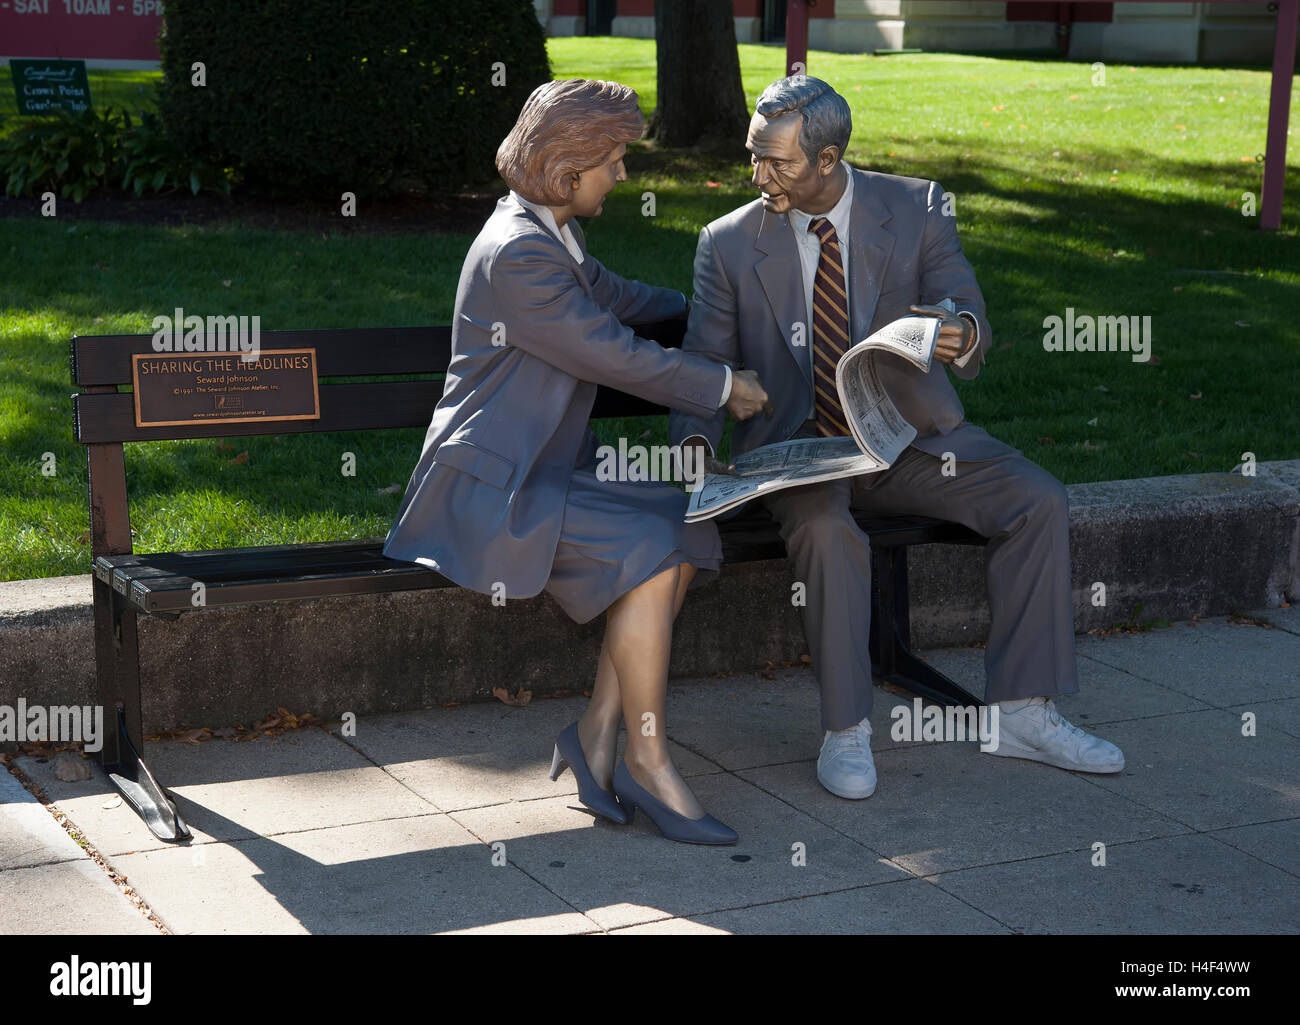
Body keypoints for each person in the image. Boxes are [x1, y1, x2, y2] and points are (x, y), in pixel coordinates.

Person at [671, 75, 1124, 801]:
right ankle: (846, 728)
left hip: (908, 439)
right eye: (754, 156)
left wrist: (960, 331)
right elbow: (703, 363)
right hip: (800, 452)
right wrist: (694, 450)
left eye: (776, 162)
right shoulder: (728, 242)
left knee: (1037, 498)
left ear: (828, 160)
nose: (759, 176)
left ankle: (1023, 713)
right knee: (826, 529)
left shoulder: (915, 207)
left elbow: (966, 305)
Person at [383, 79, 769, 844]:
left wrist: (714, 314)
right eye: (614, 160)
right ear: (569, 168)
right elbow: (611, 353)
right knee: (652, 552)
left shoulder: (546, 232)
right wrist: (723, 383)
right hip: (495, 488)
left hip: (547, 472)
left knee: (685, 526)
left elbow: (619, 300)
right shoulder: (518, 256)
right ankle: (648, 762)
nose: (621, 175)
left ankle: (596, 734)